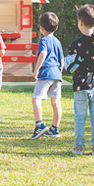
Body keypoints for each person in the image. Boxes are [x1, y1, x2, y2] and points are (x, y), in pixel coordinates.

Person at [68, 4, 94, 156]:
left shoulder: (75, 44)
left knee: (80, 117)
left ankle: (78, 147)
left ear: (80, 22)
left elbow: (69, 66)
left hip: (80, 84)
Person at [30, 10, 63, 139]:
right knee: (56, 102)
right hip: (57, 74)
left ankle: (40, 125)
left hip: (46, 72)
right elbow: (62, 60)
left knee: (36, 98)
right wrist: (59, 71)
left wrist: (37, 69)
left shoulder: (44, 40)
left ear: (41, 28)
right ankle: (55, 128)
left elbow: (43, 53)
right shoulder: (57, 42)